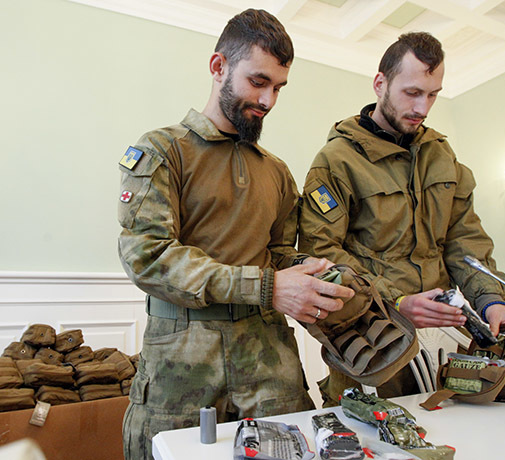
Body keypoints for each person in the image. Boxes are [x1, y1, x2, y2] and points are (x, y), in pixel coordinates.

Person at [118, 9, 354, 459]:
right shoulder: (163, 150)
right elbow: (147, 256)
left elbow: (279, 253)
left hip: (269, 360)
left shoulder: (278, 172)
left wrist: (312, 274)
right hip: (181, 361)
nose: (268, 100)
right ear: (218, 67)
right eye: (258, 81)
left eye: (278, 88)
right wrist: (267, 286)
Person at [298, 31, 505, 403]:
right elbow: (322, 255)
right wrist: (397, 302)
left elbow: (465, 244)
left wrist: (494, 305)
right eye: (412, 92)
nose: (423, 107)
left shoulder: (442, 157)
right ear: (380, 83)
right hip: (372, 343)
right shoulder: (336, 161)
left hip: (446, 343)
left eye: (433, 94)